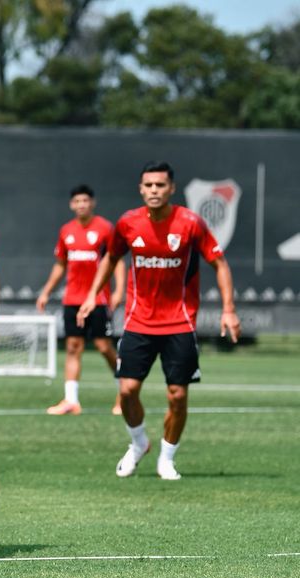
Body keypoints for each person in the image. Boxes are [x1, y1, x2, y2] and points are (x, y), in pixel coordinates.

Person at [78, 161, 240, 480]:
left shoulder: (190, 223)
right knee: (126, 390)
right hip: (138, 322)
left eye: (160, 185)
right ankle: (139, 443)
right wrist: (91, 295)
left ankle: (167, 458)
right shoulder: (128, 223)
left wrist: (229, 309)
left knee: (177, 396)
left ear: (172, 189)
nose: (154, 190)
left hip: (179, 322)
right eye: (149, 185)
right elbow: (110, 259)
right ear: (141, 189)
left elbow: (220, 264)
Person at [36, 185, 125, 416]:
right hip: (72, 300)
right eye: (77, 201)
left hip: (98, 300)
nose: (81, 205)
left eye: (85, 200)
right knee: (74, 348)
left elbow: (117, 261)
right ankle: (71, 401)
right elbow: (60, 265)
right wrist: (46, 291)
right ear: (71, 205)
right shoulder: (66, 231)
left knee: (104, 347)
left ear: (92, 203)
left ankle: (125, 394)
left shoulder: (105, 228)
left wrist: (118, 291)